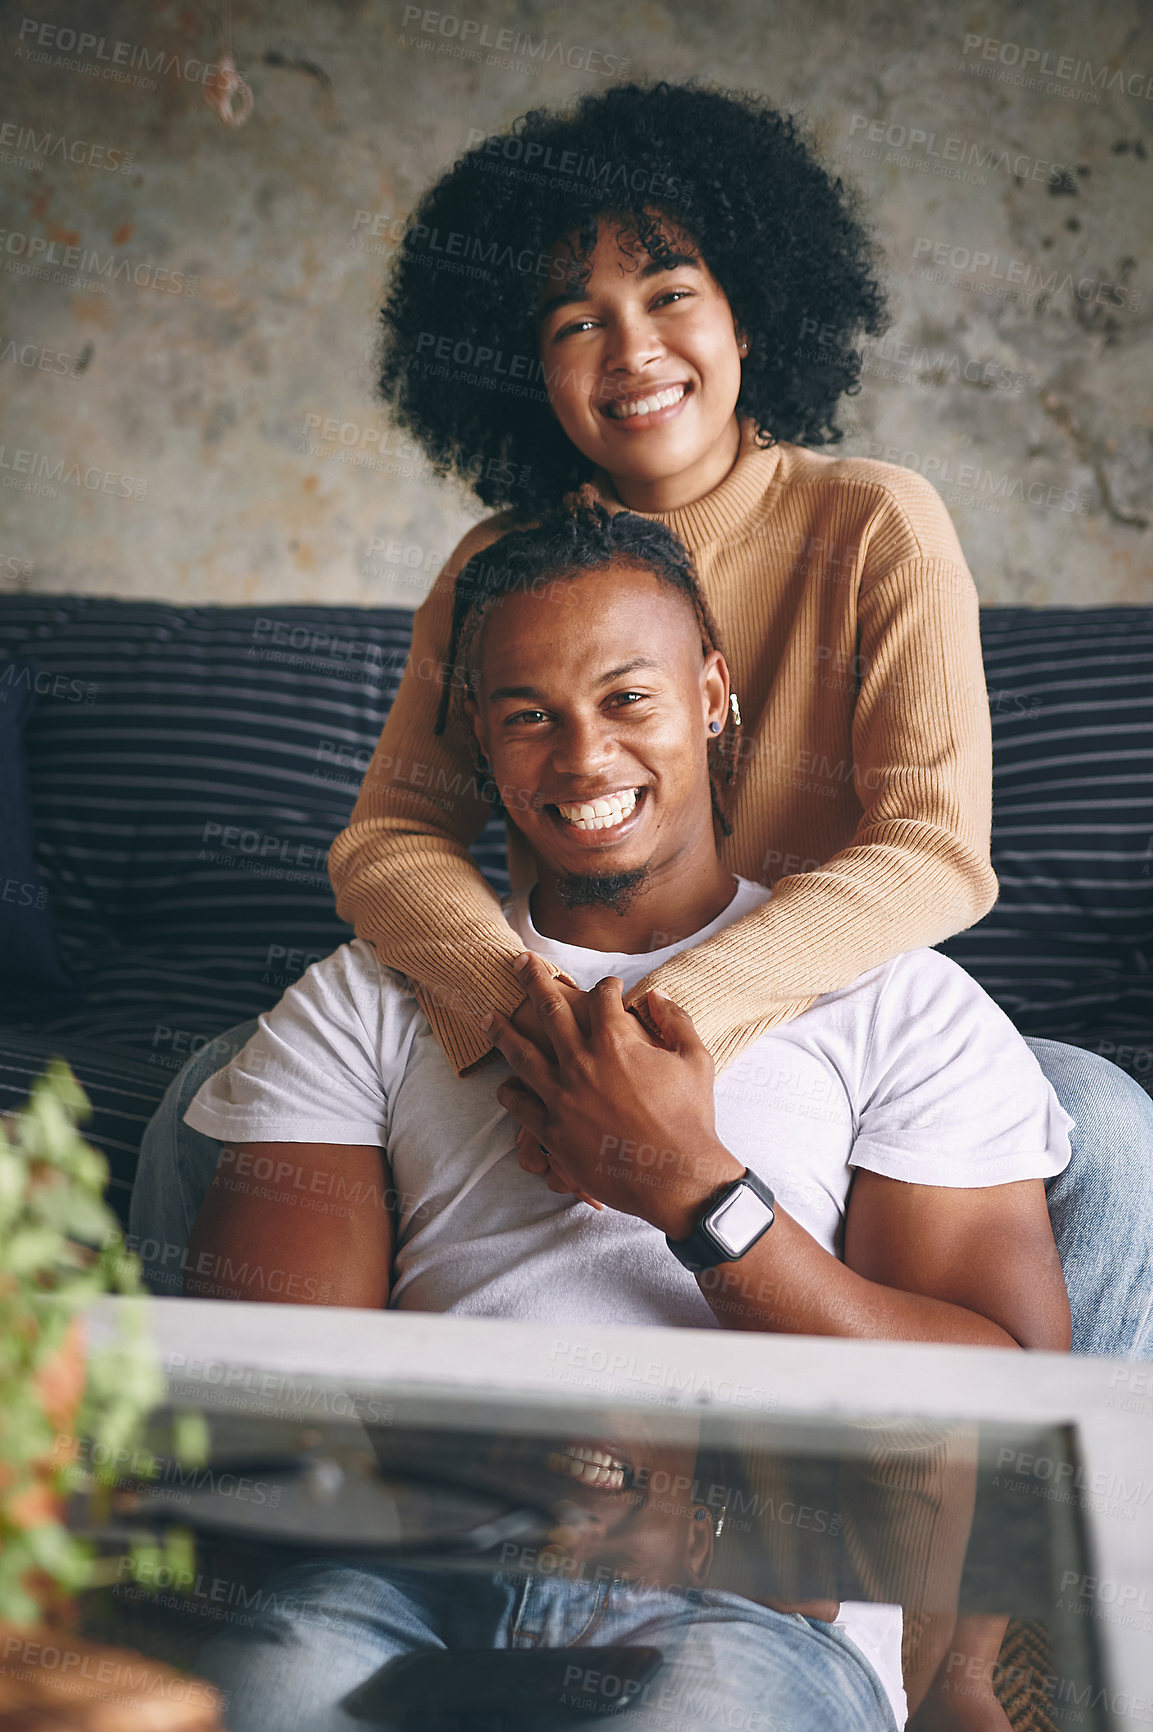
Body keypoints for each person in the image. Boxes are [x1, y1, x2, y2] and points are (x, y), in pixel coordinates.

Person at [148, 501, 1073, 1731]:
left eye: (628, 699)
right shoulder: (368, 997)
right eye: (528, 716)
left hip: (747, 1603)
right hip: (416, 1579)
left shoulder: (898, 1003)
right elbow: (264, 1381)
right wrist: (469, 1480)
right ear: (481, 741)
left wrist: (697, 1196)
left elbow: (1009, 1417)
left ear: (712, 695)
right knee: (268, 1694)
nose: (583, 759)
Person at [319, 77, 1153, 1361]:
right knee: (219, 1083)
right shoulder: (498, 565)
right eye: (575, 322)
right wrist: (530, 1017)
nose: (631, 350)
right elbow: (389, 840)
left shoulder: (875, 521)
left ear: (749, 312)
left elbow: (932, 848)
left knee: (1101, 1110)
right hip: (568, 1006)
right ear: (524, 365)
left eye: (669, 295)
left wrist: (671, 1018)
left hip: (825, 1016)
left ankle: (1068, 1481)